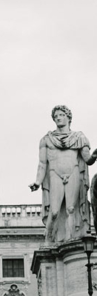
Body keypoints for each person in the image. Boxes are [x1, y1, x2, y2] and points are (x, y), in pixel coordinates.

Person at [29, 105, 97, 245]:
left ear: (68, 117)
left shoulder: (79, 137)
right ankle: (49, 241)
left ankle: (70, 240)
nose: (58, 118)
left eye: (61, 115)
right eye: (55, 116)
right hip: (55, 174)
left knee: (71, 209)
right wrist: (37, 182)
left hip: (73, 172)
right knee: (54, 211)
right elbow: (42, 164)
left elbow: (87, 159)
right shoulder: (47, 139)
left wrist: (95, 155)